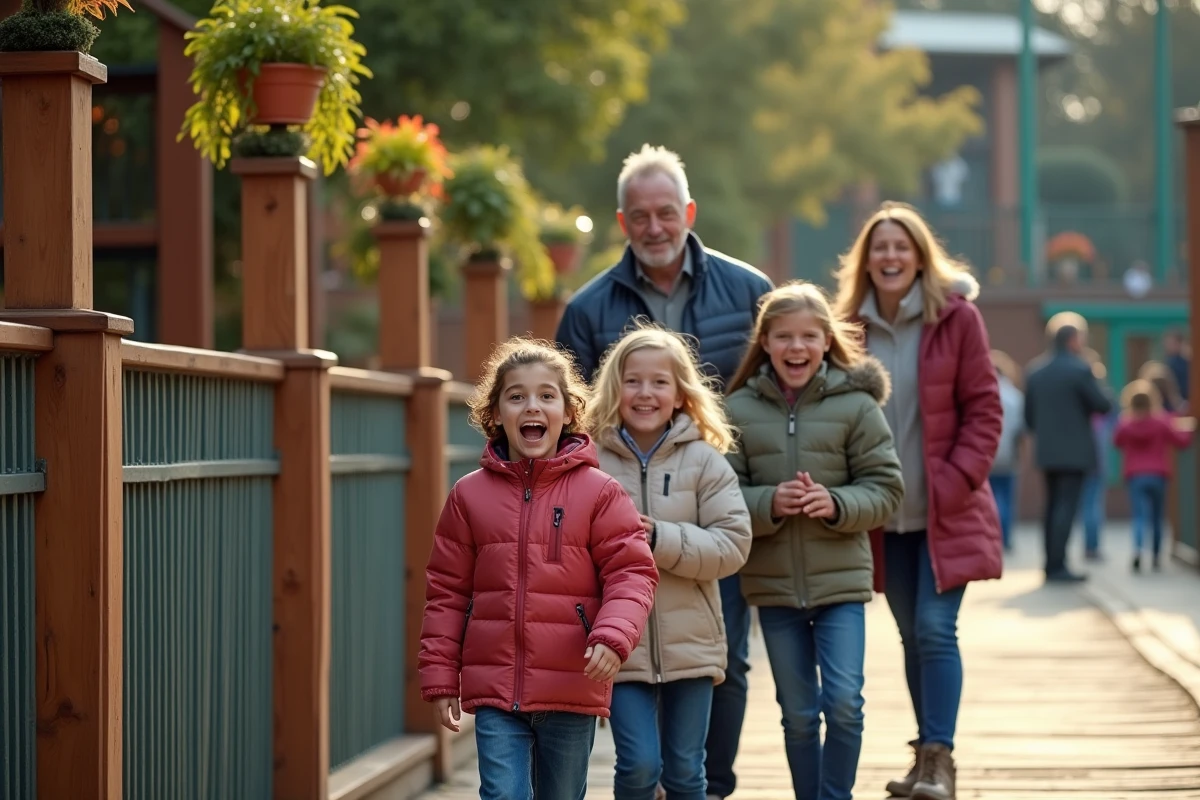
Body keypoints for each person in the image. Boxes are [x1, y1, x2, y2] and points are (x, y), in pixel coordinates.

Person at [555, 143, 772, 800]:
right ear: (622, 222)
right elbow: (565, 418)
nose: (655, 227)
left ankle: (711, 786)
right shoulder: (588, 309)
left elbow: (779, 393)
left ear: (689, 212)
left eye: (667, 212)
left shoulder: (749, 290)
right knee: (626, 652)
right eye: (641, 215)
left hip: (715, 500)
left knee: (722, 659)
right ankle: (653, 780)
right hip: (616, 510)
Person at [418, 338, 659, 800]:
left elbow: (632, 573)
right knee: (503, 795)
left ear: (568, 412)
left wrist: (612, 635)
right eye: (517, 396)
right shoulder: (468, 495)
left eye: (547, 396)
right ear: (496, 414)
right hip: (494, 692)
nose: (533, 406)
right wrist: (441, 677)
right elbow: (446, 592)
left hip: (571, 682)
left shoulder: (600, 492)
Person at [834, 202, 1004, 800]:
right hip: (882, 517)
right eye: (879, 247)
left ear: (919, 255)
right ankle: (925, 755)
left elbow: (984, 408)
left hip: (945, 510)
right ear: (866, 260)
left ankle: (940, 759)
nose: (890, 256)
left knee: (934, 631)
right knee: (911, 635)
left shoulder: (956, 319)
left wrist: (955, 481)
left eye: (900, 246)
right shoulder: (846, 328)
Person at [725, 282, 904, 800]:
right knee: (799, 713)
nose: (795, 347)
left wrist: (838, 503)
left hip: (842, 585)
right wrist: (767, 504)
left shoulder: (856, 406)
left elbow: (887, 488)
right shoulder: (737, 409)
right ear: (765, 342)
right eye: (783, 337)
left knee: (845, 701)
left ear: (827, 341)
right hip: (773, 590)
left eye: (808, 336)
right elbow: (723, 494)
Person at [588, 325, 752, 800]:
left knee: (685, 774)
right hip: (618, 649)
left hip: (693, 645)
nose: (645, 393)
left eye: (659, 382)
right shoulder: (588, 463)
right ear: (614, 389)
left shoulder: (705, 462)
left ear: (681, 393)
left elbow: (732, 545)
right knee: (639, 766)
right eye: (633, 381)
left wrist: (659, 536)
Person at [1025, 323, 1113, 583]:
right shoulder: (1081, 369)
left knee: (1052, 507)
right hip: (1075, 453)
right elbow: (1103, 405)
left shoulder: (1035, 372)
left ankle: (1051, 563)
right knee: (1066, 507)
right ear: (1074, 340)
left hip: (1048, 452)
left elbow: (1029, 419)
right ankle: (1058, 566)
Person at [1113, 379, 1194, 572]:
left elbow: (1116, 441)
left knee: (1139, 516)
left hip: (1136, 475)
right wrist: (1190, 429)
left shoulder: (1126, 424)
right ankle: (1156, 556)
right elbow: (1181, 441)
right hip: (1158, 474)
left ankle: (1138, 550)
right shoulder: (1161, 421)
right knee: (1157, 517)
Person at [988, 350, 1024, 553]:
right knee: (1007, 499)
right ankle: (1006, 538)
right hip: (1009, 455)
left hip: (987, 456)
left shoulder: (984, 392)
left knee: (989, 500)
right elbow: (1020, 429)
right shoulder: (1015, 396)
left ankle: (992, 536)